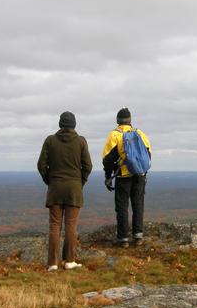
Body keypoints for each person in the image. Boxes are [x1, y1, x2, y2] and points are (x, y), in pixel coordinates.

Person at [37, 111, 92, 271]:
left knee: (55, 225)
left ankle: (52, 264)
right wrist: (79, 182)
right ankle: (70, 261)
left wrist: (50, 180)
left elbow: (41, 165)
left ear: (60, 124)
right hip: (74, 189)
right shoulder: (81, 141)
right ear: (74, 124)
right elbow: (88, 166)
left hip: (55, 188)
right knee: (70, 225)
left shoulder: (50, 140)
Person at [102, 108, 151, 248]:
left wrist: (108, 175)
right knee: (138, 204)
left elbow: (107, 159)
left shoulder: (114, 135)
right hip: (140, 175)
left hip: (123, 176)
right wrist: (143, 173)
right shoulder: (140, 133)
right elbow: (148, 154)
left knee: (122, 207)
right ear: (130, 120)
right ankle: (138, 236)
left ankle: (123, 239)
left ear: (118, 121)